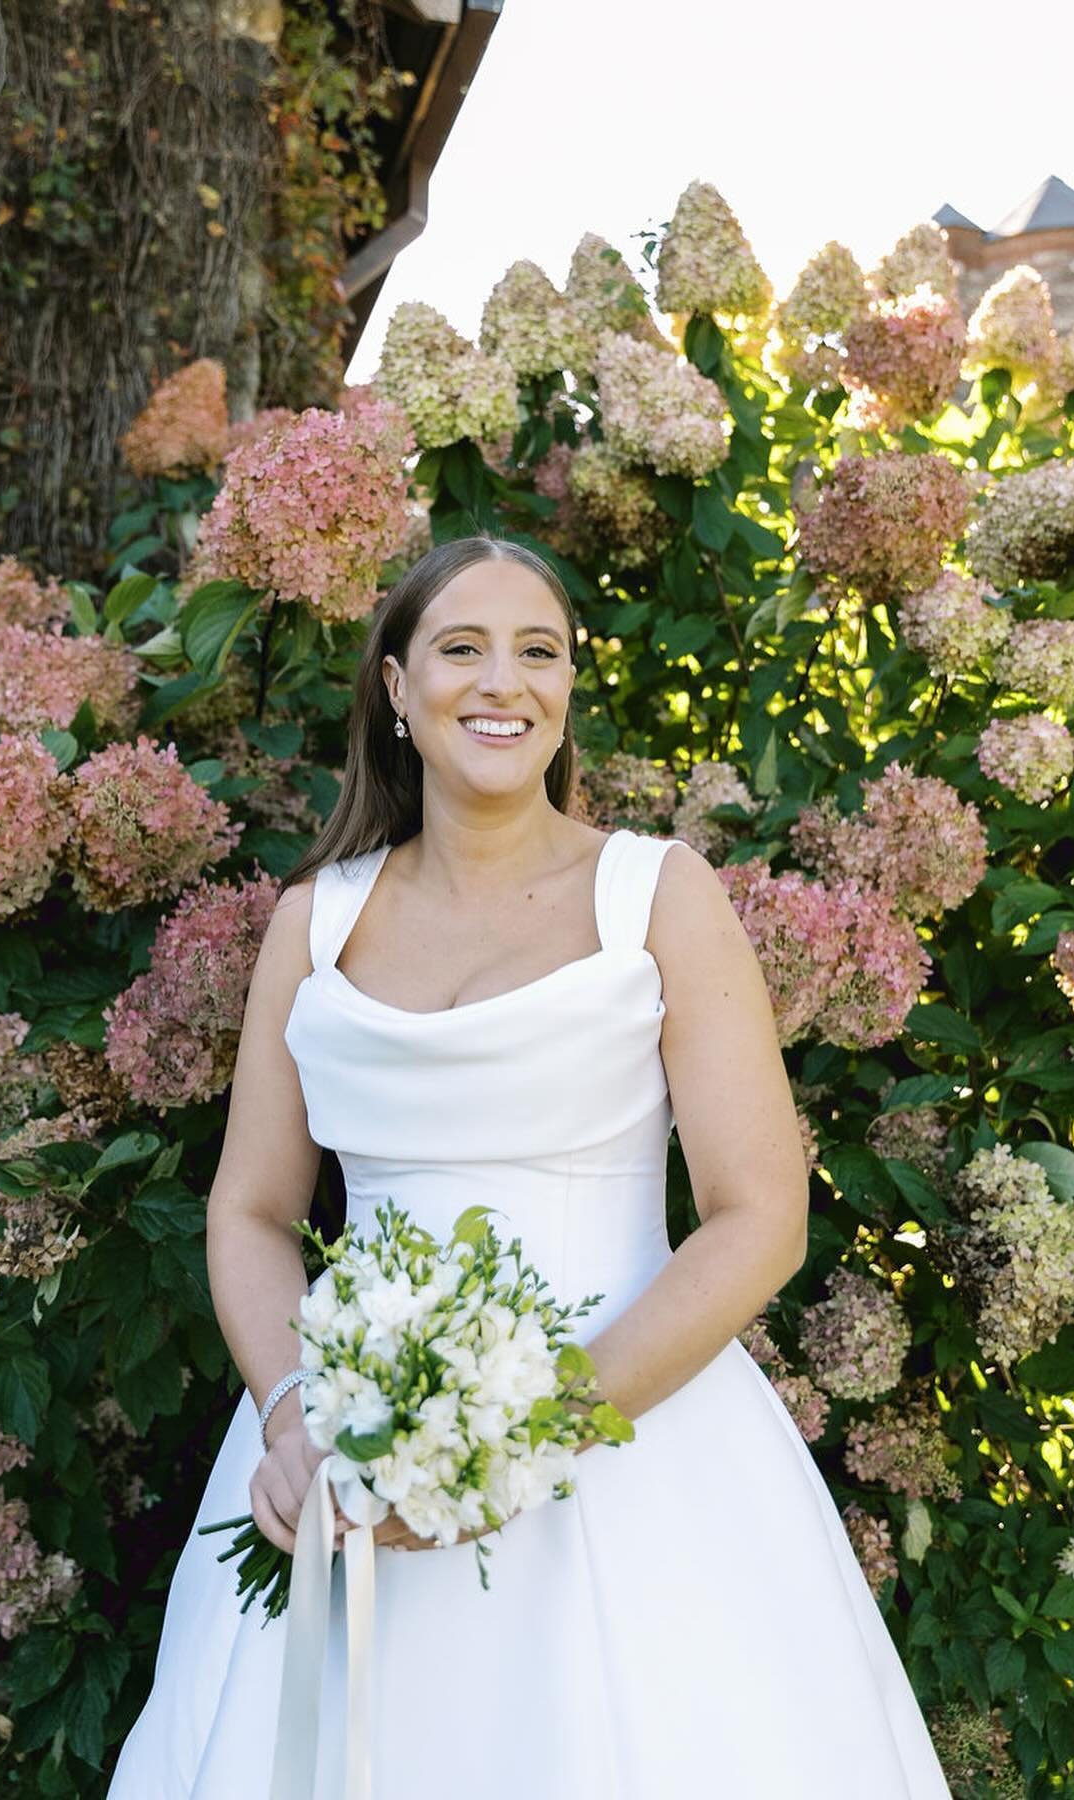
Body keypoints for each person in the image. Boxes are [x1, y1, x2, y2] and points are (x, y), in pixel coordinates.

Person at [107, 533, 954, 1798]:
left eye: (538, 653)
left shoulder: (656, 896)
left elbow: (760, 1216)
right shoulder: (314, 923)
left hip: (628, 1434)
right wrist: (295, 1421)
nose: (504, 682)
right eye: (462, 648)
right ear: (396, 687)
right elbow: (253, 1209)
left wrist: (518, 1446)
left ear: (566, 692)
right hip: (344, 1440)